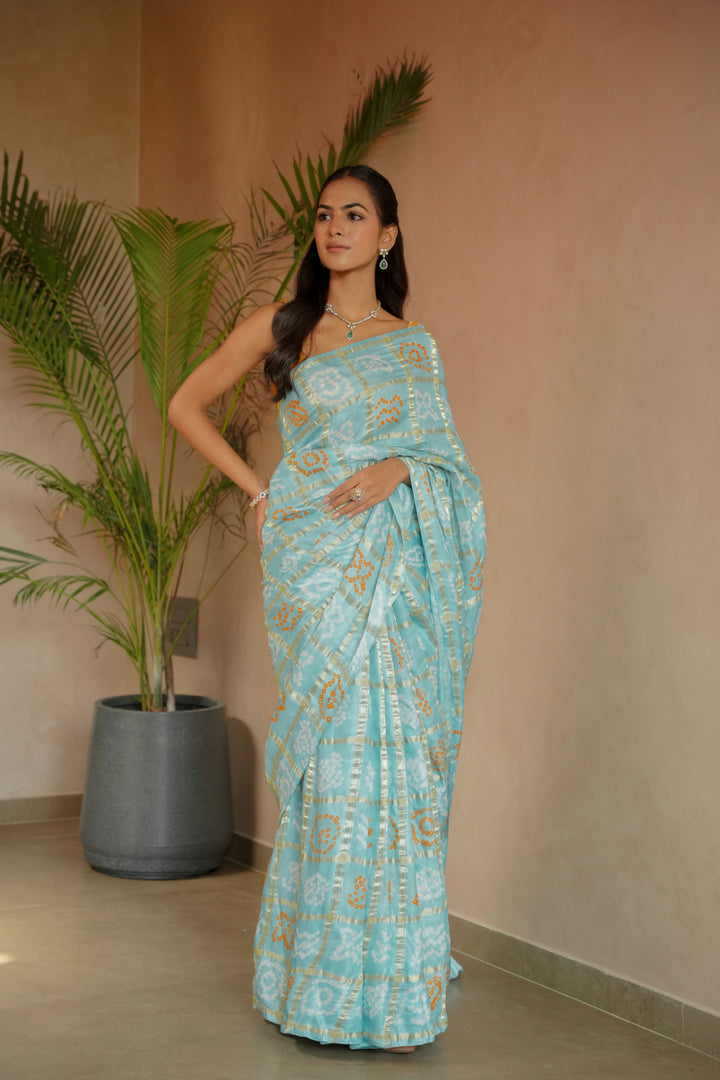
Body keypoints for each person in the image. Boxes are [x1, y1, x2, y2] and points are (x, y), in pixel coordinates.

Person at [168, 164, 485, 1052]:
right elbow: (185, 404)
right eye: (324, 215)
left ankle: (391, 987)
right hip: (316, 572)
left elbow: (453, 470)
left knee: (395, 770)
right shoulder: (284, 327)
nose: (335, 227)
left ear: (388, 236)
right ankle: (316, 984)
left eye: (355, 215)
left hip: (399, 579)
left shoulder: (412, 346)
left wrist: (401, 468)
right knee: (332, 770)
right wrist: (259, 490)